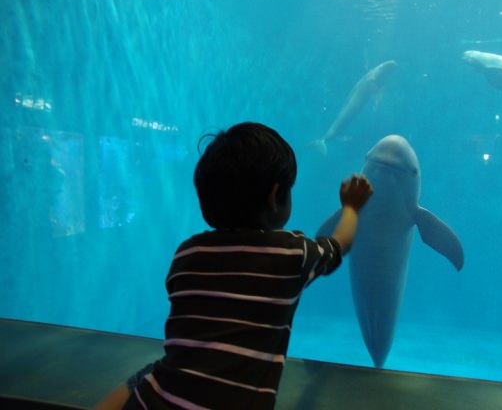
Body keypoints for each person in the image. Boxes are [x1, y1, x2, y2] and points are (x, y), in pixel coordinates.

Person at [94, 122, 373, 410]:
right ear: (275, 195)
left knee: (144, 378)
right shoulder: (291, 253)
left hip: (159, 397)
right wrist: (351, 206)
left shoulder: (186, 253)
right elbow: (340, 243)